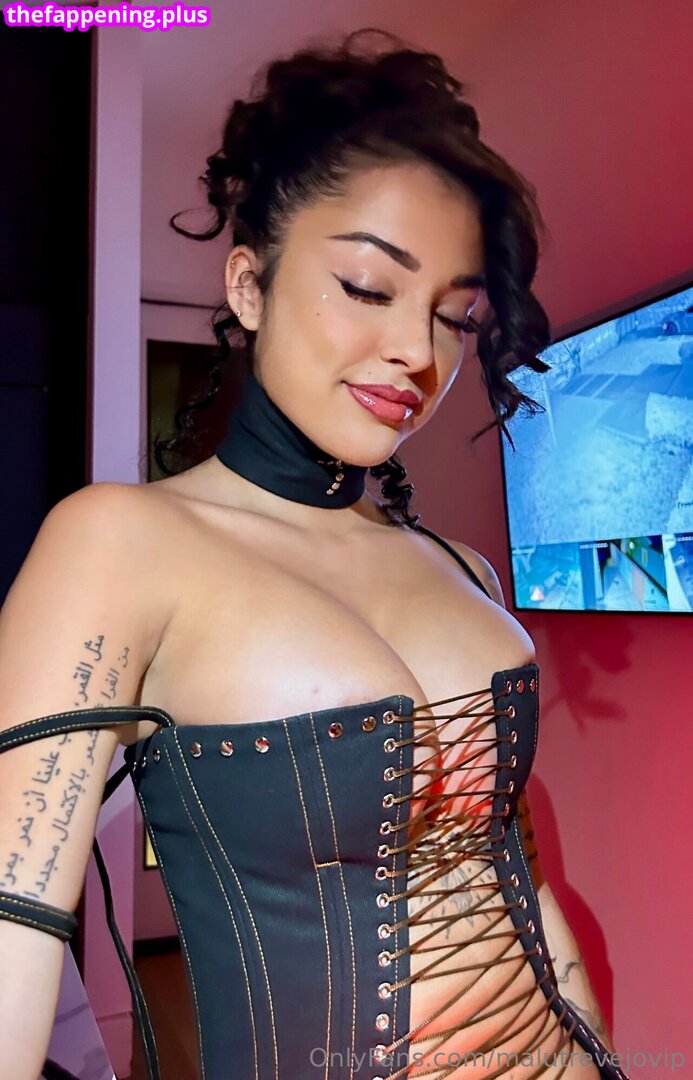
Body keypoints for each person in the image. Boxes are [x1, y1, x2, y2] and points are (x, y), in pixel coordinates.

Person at [0, 28, 629, 1080]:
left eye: (454, 316)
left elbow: (520, 886)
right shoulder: (120, 544)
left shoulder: (463, 571)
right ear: (249, 287)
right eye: (369, 289)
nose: (417, 352)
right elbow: (10, 925)